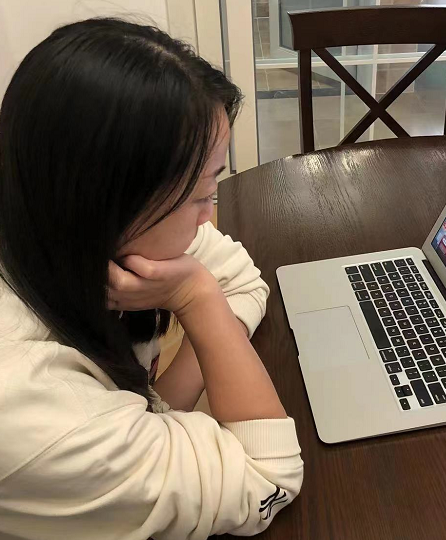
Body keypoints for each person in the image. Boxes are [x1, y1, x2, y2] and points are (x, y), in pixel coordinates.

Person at [0, 18, 303, 539]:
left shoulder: (52, 219)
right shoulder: (39, 409)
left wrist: (159, 404)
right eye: (200, 196)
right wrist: (196, 295)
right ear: (105, 204)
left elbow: (243, 282)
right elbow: (267, 478)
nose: (208, 217)